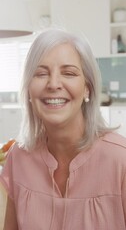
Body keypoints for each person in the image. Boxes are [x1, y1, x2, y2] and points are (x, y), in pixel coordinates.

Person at [0, 28, 126, 230]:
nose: (53, 84)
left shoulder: (121, 160)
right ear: (29, 89)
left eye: (68, 73)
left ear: (88, 88)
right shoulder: (18, 158)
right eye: (41, 73)